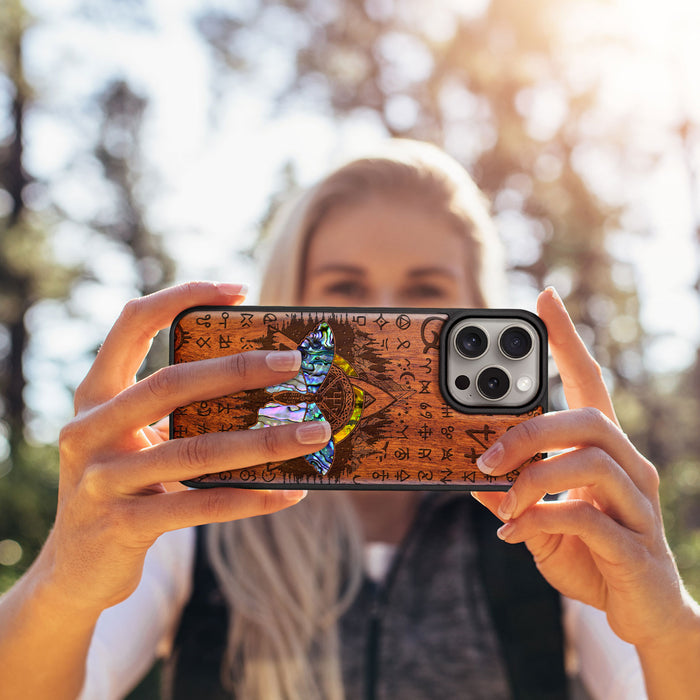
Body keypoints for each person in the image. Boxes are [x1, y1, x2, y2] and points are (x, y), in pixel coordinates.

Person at [1, 140, 699, 700]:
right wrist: (63, 581)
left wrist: (667, 627)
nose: (383, 323)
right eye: (346, 292)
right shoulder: (198, 515)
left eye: (425, 292)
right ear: (286, 310)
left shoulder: (545, 522)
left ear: (477, 312)